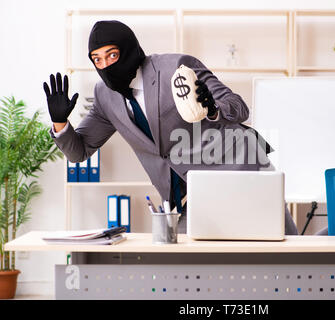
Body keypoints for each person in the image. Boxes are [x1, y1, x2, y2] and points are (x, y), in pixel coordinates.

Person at [43, 20, 298, 235]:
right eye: (97, 60)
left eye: (112, 55)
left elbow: (238, 107)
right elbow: (79, 152)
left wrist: (212, 108)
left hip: (242, 169)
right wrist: (60, 123)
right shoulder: (105, 96)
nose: (105, 66)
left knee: (290, 250)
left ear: (129, 49)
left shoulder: (177, 67)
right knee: (186, 260)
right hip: (189, 194)